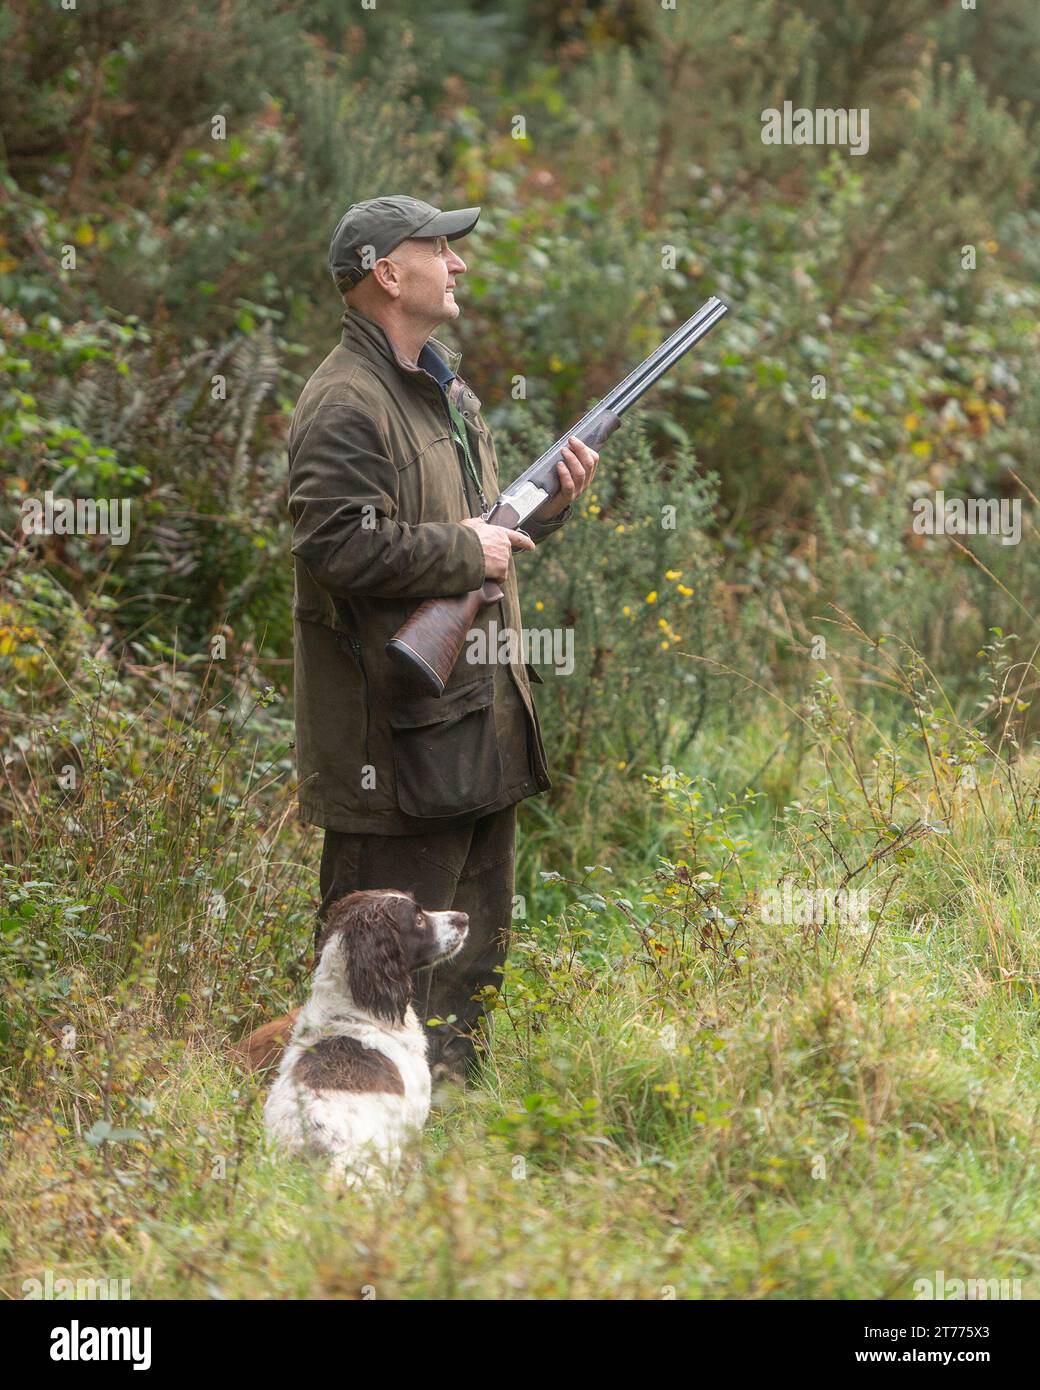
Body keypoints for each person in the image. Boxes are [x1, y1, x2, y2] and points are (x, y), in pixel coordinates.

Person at [287, 195, 598, 1083]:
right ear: (388, 272)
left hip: (475, 732)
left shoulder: (442, 389)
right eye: (439, 249)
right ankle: (334, 1157)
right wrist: (468, 545)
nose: (458, 264)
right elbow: (336, 545)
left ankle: (452, 1156)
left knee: (467, 984)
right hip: (395, 753)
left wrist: (554, 504)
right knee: (370, 994)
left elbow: (484, 544)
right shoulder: (346, 403)